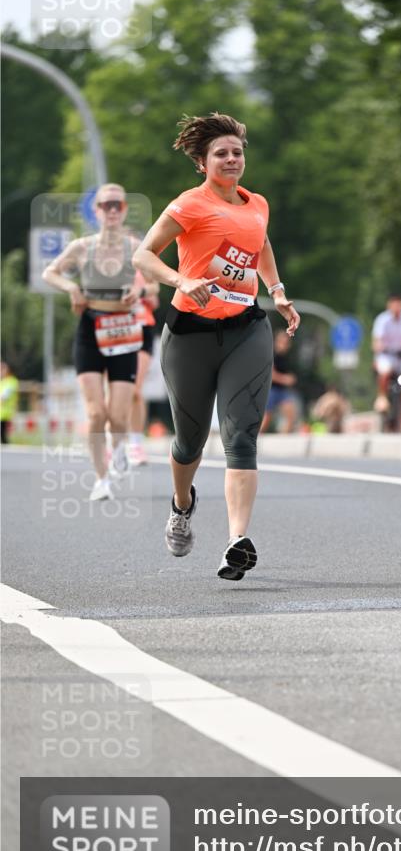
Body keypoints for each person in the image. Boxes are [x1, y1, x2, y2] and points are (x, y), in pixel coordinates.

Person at [132, 112, 299, 580]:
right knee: (188, 440)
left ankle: (236, 541)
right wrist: (181, 279)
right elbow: (142, 254)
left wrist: (278, 292)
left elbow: (260, 245)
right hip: (190, 334)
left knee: (241, 435)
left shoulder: (257, 204)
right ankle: (182, 506)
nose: (231, 159)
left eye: (237, 152)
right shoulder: (189, 204)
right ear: (203, 163)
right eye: (221, 153)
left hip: (246, 329)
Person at [42, 184, 143, 500]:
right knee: (96, 414)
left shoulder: (135, 247)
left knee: (118, 416)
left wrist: (138, 292)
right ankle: (102, 480)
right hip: (90, 329)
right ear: (96, 211)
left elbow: (154, 286)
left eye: (117, 205)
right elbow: (50, 272)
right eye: (105, 205)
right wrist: (71, 288)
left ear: (124, 209)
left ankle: (122, 445)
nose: (112, 210)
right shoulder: (81, 247)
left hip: (124, 330)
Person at [128, 270, 160, 465]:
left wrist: (139, 292)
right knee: (114, 389)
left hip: (141, 328)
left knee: (135, 390)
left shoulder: (143, 270)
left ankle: (135, 444)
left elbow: (155, 302)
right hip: (113, 329)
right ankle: (110, 442)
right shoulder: (106, 268)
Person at [372, 293, 401, 420]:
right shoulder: (382, 320)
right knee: (385, 373)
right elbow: (377, 339)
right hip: (387, 355)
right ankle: (382, 397)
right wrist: (379, 347)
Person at [261, 329, 299, 433]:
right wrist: (285, 379)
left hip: (282, 391)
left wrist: (290, 378)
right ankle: (253, 441)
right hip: (271, 389)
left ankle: (283, 440)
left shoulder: (286, 357)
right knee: (266, 419)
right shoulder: (272, 354)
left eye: (286, 342)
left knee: (291, 415)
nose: (284, 344)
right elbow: (271, 374)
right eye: (282, 341)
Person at [0, 361, 19, 444]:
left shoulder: (12, 381)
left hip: (5, 412)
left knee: (3, 435)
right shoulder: (2, 381)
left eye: (2, 369)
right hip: (2, 412)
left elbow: (4, 396)